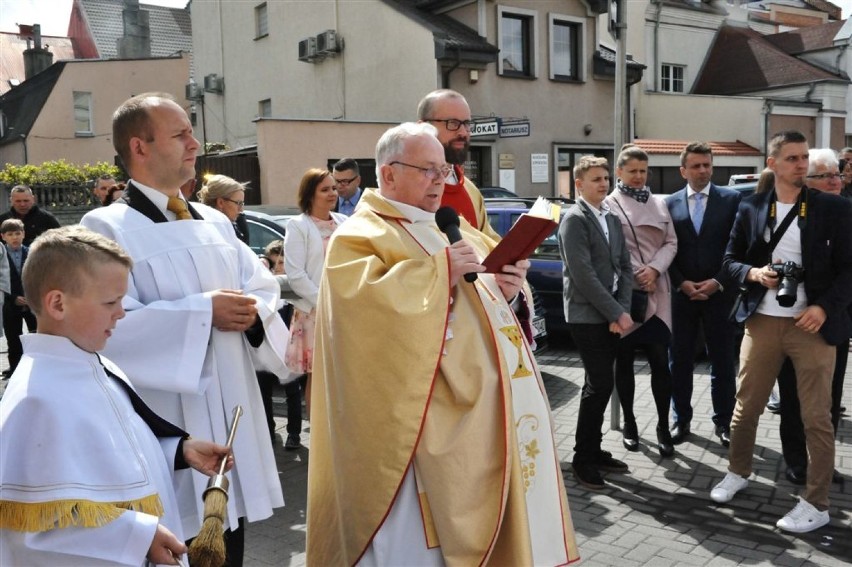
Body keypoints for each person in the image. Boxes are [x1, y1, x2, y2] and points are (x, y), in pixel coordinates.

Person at [306, 122, 578, 565]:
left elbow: (490, 301)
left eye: (444, 171)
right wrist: (436, 274)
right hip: (417, 433)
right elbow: (363, 324)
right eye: (428, 170)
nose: (440, 180)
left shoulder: (457, 228)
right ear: (388, 174)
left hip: (488, 419)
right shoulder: (359, 237)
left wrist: (509, 290)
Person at [80, 92, 287, 566]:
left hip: (231, 405)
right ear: (140, 147)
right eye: (181, 134)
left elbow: (261, 287)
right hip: (170, 420)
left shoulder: (215, 220)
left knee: (228, 536)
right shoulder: (105, 226)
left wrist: (253, 311)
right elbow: (106, 323)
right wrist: (200, 314)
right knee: (176, 541)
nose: (196, 143)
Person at [0, 225, 232, 566]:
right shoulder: (36, 401)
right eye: (111, 301)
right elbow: (29, 533)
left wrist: (178, 451)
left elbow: (111, 453)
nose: (122, 312)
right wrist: (137, 535)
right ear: (58, 303)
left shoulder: (95, 363)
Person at [712, 130, 852, 533]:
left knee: (817, 418)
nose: (801, 164)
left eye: (804, 157)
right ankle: (738, 472)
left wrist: (824, 308)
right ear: (772, 164)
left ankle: (817, 503)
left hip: (811, 325)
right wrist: (754, 272)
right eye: (791, 158)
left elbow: (849, 269)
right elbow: (728, 261)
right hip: (761, 320)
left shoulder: (832, 208)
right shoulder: (751, 206)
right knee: (745, 408)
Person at [559, 155, 633, 489]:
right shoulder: (574, 219)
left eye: (606, 178)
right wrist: (615, 313)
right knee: (599, 384)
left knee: (601, 383)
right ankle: (582, 457)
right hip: (586, 316)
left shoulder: (611, 217)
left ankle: (594, 449)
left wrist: (623, 310)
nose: (604, 183)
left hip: (614, 315)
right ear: (578, 184)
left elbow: (625, 267)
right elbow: (583, 276)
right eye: (596, 179)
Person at [775, 148, 848, 486]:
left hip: (834, 322)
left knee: (828, 398)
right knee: (792, 396)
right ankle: (795, 460)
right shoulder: (793, 215)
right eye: (826, 176)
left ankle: (822, 462)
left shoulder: (845, 211)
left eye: (838, 174)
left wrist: (829, 307)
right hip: (793, 321)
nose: (836, 181)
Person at [665, 142, 742, 447]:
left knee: (722, 362)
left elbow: (739, 247)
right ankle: (680, 420)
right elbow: (665, 249)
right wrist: (680, 282)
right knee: (679, 362)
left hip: (720, 295)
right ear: (683, 170)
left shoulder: (731, 200)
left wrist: (718, 281)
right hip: (681, 296)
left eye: (707, 165)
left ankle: (724, 421)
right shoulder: (669, 204)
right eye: (695, 166)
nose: (703, 171)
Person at [605, 145, 678, 458]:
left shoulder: (660, 204)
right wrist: (638, 273)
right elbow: (610, 247)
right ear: (619, 171)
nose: (638, 176)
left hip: (657, 291)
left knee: (661, 362)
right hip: (626, 293)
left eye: (643, 171)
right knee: (623, 363)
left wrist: (655, 269)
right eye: (632, 170)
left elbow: (672, 241)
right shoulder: (609, 204)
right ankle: (631, 424)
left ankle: (663, 426)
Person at [283, 167, 347, 449]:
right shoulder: (298, 226)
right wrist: (324, 302)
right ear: (310, 194)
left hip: (345, 310)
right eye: (325, 189)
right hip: (314, 311)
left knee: (343, 373)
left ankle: (342, 431)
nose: (332, 193)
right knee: (317, 375)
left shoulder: (345, 222)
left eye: (334, 188)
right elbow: (295, 274)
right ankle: (319, 435)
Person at [417, 89, 501, 241]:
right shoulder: (407, 188)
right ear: (423, 127)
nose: (463, 132)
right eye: (453, 123)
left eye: (467, 124)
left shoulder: (471, 191)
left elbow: (488, 245)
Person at [262, 239, 306, 451]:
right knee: (264, 392)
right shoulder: (266, 287)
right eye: (274, 264)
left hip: (288, 349)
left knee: (292, 391)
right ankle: (269, 432)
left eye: (281, 264)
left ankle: (294, 434)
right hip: (265, 349)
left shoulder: (295, 288)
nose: (277, 268)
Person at [1, 219, 37, 377]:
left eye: (17, 233)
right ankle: (15, 370)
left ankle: (36, 367)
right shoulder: (2, 256)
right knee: (13, 339)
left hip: (33, 303)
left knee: (36, 336)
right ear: (3, 237)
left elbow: (39, 277)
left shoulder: (32, 253)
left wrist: (31, 296)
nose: (14, 237)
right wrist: (13, 297)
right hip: (10, 304)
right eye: (10, 234)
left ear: (23, 234)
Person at [196, 173, 250, 243]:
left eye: (242, 204)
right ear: (220, 203)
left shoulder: (232, 228)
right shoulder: (207, 233)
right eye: (238, 203)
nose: (241, 209)